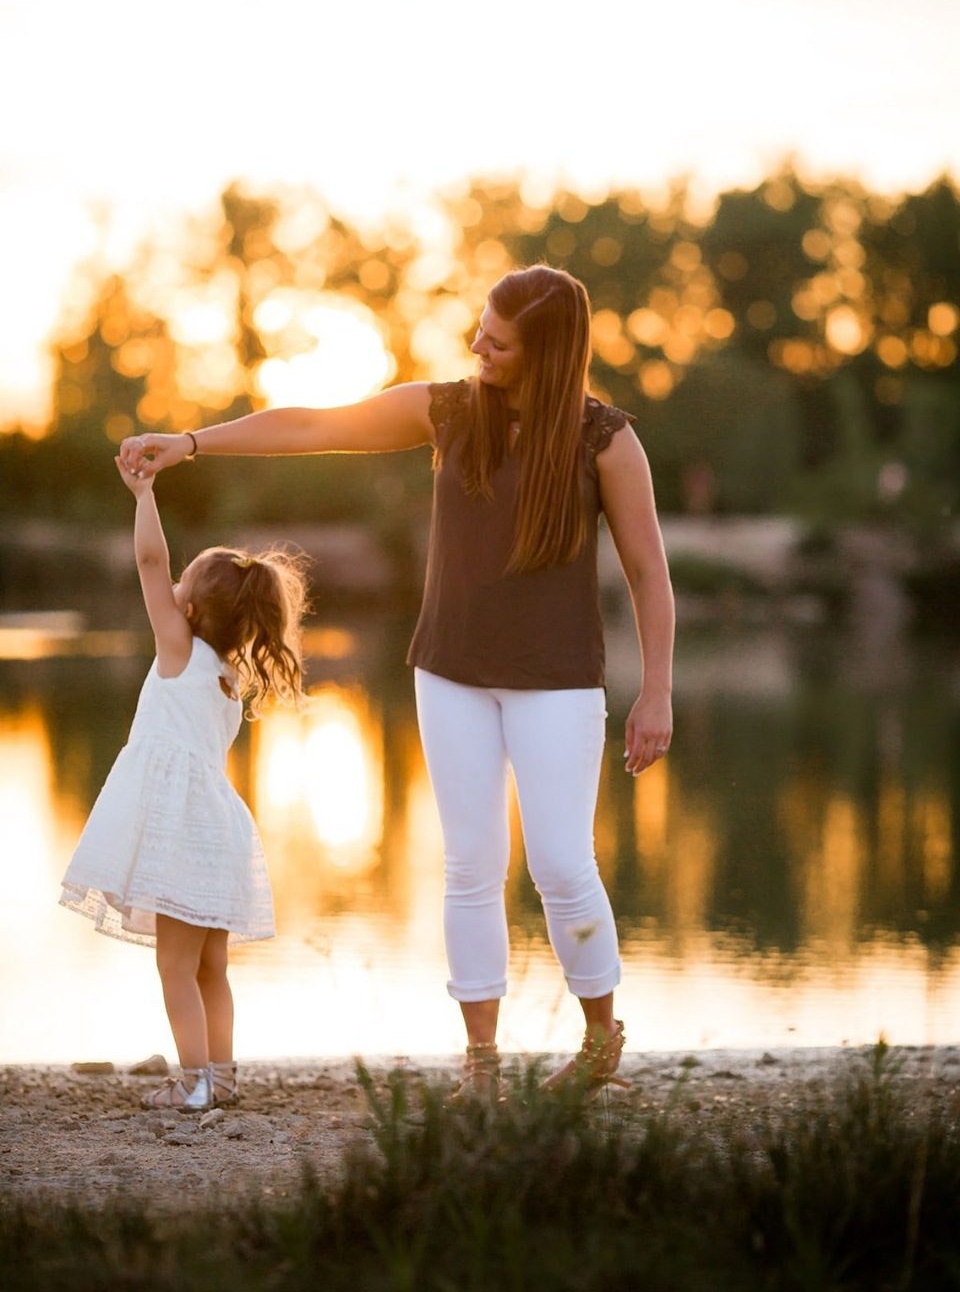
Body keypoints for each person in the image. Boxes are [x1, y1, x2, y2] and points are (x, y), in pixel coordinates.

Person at [120, 263, 675, 1100]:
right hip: (449, 670)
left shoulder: (607, 441)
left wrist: (659, 690)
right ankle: (481, 1066)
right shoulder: (447, 411)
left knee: (562, 864)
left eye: (498, 342)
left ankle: (601, 1040)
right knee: (470, 866)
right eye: (480, 331)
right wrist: (194, 443)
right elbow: (313, 426)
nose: (477, 348)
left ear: (551, 353)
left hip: (557, 680)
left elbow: (647, 570)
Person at [60, 457, 309, 1112]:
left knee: (175, 966)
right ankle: (219, 1077)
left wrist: (144, 494)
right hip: (218, 830)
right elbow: (161, 574)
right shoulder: (228, 674)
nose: (167, 587)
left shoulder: (178, 648)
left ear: (190, 608)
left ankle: (194, 1084)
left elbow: (147, 563)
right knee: (210, 967)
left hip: (182, 829)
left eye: (181, 583)